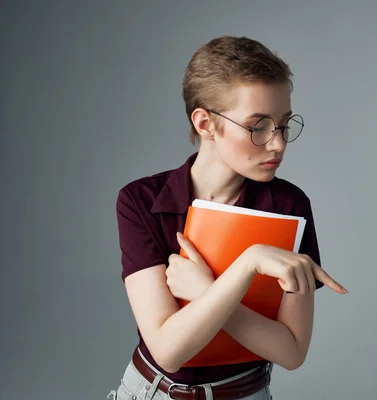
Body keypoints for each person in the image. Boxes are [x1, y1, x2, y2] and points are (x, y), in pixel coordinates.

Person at [107, 36, 347, 400]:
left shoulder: (289, 206)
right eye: (258, 127)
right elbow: (169, 350)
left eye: (283, 124)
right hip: (149, 392)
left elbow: (292, 352)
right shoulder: (140, 201)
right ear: (205, 123)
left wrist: (207, 290)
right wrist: (249, 262)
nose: (278, 143)